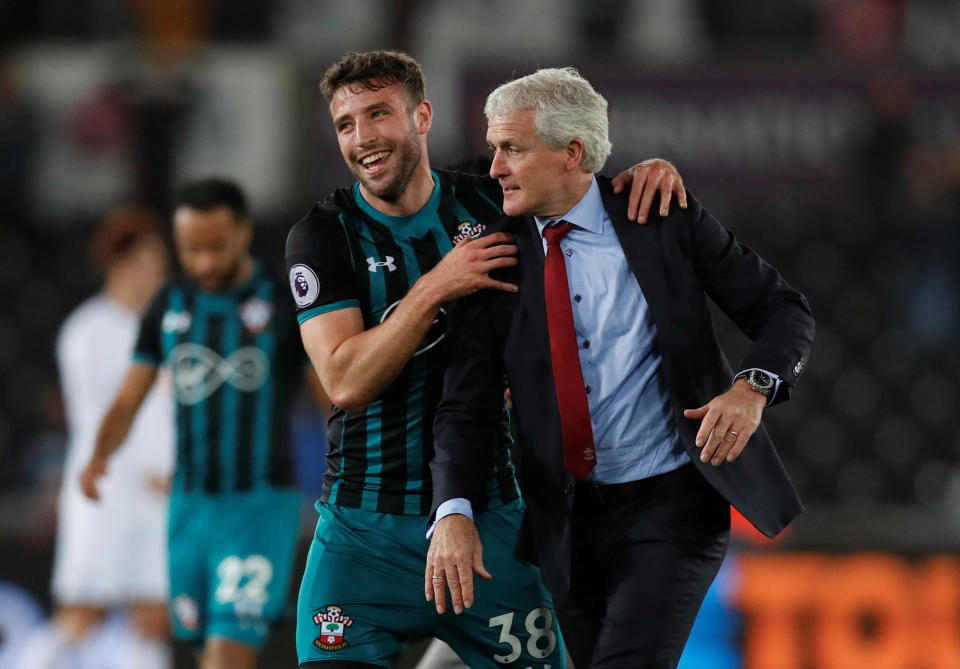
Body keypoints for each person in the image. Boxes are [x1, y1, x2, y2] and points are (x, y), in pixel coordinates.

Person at [284, 49, 686, 668]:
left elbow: (585, 200)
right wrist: (436, 286)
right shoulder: (323, 236)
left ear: (421, 116)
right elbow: (343, 380)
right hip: (363, 535)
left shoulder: (492, 208)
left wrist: (645, 176)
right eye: (346, 124)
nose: (363, 138)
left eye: (379, 114)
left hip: (488, 522)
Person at [426, 67, 815, 669]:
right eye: (494, 147)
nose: (495, 166)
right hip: (565, 522)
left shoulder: (661, 216)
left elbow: (783, 309)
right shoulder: (491, 257)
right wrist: (452, 510)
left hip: (673, 506)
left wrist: (753, 387)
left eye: (512, 149)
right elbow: (465, 405)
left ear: (571, 153)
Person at [79, 178, 326, 669]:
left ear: (243, 233)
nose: (205, 262)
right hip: (188, 508)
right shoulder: (167, 304)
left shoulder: (283, 303)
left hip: (258, 507)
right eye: (192, 249)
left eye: (216, 247)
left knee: (227, 651)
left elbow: (329, 399)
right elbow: (128, 399)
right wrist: (100, 455)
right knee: (202, 647)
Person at [17, 207, 174, 669]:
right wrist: (136, 472)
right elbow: (104, 420)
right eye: (150, 261)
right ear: (123, 263)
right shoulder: (86, 332)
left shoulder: (167, 331)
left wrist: (169, 471)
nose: (159, 273)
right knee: (82, 615)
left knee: (152, 619)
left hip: (156, 495)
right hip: (105, 492)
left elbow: (166, 416)